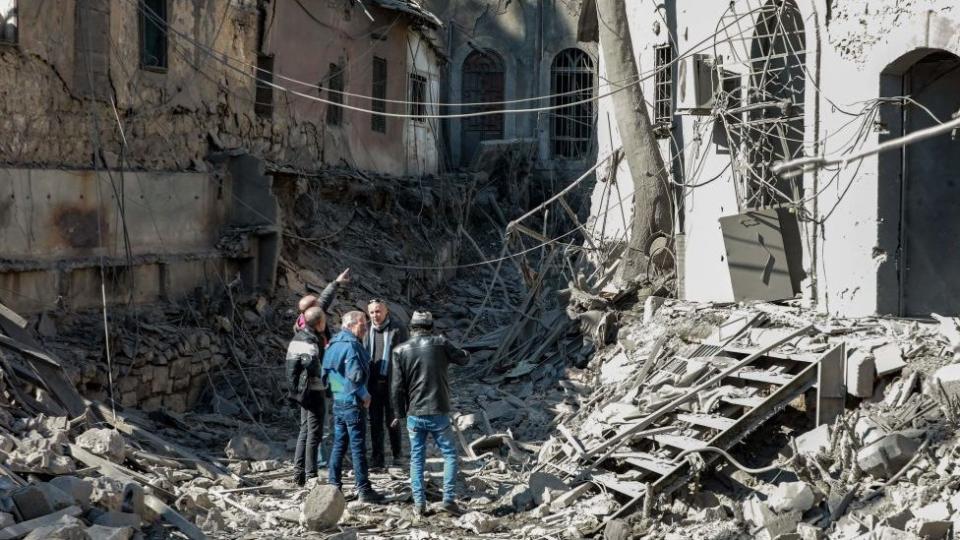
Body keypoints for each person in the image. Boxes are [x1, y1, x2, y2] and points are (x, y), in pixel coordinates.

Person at [390, 311, 469, 516]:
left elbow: (397, 387)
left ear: (411, 327)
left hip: (415, 413)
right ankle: (449, 500)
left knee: (417, 458)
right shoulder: (441, 343)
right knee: (450, 454)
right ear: (431, 326)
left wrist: (399, 414)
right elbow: (463, 360)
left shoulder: (400, 350)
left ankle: (419, 504)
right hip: (438, 410)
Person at [322, 311, 385, 503]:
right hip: (352, 404)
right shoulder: (352, 346)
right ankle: (364, 490)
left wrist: (339, 393)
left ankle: (334, 486)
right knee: (358, 448)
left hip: (339, 402)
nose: (366, 329)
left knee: (339, 445)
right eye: (362, 325)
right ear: (350, 325)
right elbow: (356, 376)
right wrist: (363, 395)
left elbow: (327, 374)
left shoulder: (332, 344)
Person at [285, 307, 328, 486]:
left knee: (304, 431)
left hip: (300, 391)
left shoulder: (298, 336)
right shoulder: (309, 340)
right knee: (314, 434)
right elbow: (313, 367)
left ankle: (298, 474)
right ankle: (311, 475)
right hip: (312, 390)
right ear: (320, 323)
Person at [365, 299, 408, 470]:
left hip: (391, 383)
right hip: (372, 384)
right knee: (375, 423)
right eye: (372, 312)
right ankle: (377, 459)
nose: (375, 315)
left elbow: (405, 356)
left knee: (393, 422)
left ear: (386, 311)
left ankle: (398, 456)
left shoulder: (398, 328)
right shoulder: (366, 328)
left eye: (378, 311)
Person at [292, 268, 351, 334]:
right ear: (312, 309)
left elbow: (324, 298)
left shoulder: (307, 317)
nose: (320, 301)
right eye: (317, 302)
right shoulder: (308, 337)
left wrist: (337, 282)